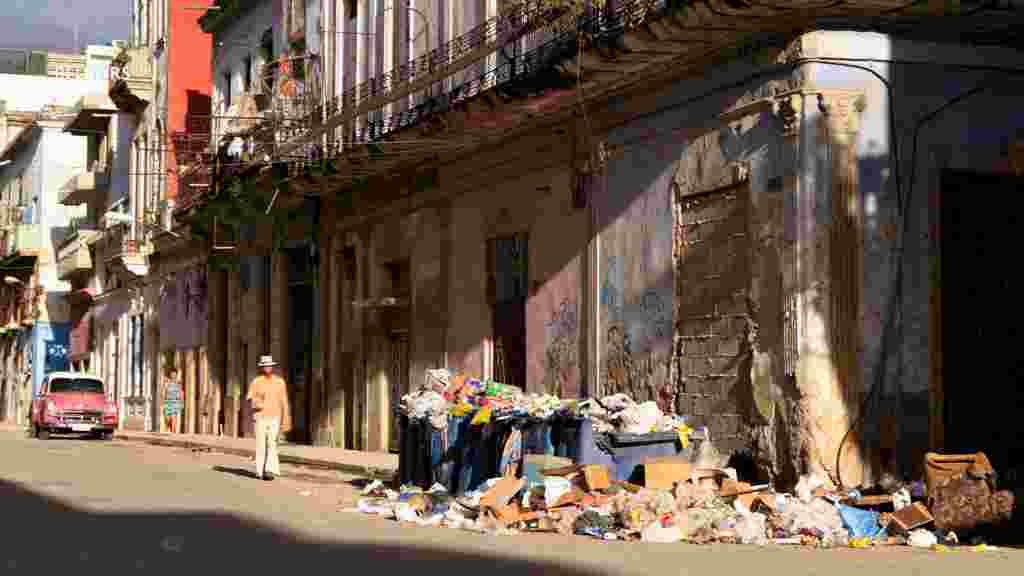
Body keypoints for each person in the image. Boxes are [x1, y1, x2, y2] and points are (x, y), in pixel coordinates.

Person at [246, 355, 291, 481]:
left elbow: (284, 401)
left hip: (274, 417)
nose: (267, 368)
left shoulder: (280, 382)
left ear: (273, 367)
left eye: (269, 365)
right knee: (261, 444)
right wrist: (256, 402)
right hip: (260, 417)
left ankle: (269, 470)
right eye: (265, 366)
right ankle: (259, 471)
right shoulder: (256, 381)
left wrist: (286, 418)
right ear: (262, 367)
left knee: (272, 443)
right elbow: (249, 398)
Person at [162, 368, 183, 433]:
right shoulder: (167, 382)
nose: (173, 375)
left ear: (176, 375)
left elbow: (180, 392)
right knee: (167, 418)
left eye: (174, 374)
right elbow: (164, 391)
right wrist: (163, 401)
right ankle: (169, 427)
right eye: (172, 374)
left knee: (174, 418)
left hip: (175, 402)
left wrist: (181, 402)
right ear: (170, 375)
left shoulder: (178, 383)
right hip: (168, 401)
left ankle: (173, 432)